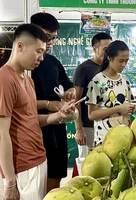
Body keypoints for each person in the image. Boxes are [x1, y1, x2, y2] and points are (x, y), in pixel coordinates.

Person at [0, 23, 75, 200]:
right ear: (20, 46)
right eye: (38, 51)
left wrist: (59, 115)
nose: (41, 58)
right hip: (23, 166)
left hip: (39, 158)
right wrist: (10, 182)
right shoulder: (4, 79)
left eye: (43, 52)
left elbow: (31, 119)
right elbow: (2, 134)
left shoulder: (28, 80)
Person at [30, 12, 76, 192]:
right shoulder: (21, 68)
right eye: (45, 37)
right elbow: (20, 105)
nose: (49, 43)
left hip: (56, 128)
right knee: (34, 185)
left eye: (53, 38)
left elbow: (68, 86)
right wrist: (48, 104)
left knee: (55, 177)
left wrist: (69, 94)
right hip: (33, 130)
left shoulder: (53, 62)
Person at [86, 40, 136, 146]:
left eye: (126, 61)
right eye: (120, 61)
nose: (124, 65)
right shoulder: (97, 81)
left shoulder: (125, 80)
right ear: (109, 58)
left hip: (125, 139)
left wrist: (131, 109)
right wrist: (118, 108)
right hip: (105, 140)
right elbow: (91, 115)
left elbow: (127, 106)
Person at [73, 33, 112, 150]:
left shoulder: (110, 69)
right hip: (88, 127)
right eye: (105, 49)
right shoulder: (83, 69)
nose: (108, 53)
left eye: (110, 49)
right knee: (87, 163)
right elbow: (76, 101)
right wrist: (79, 129)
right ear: (95, 49)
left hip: (107, 125)